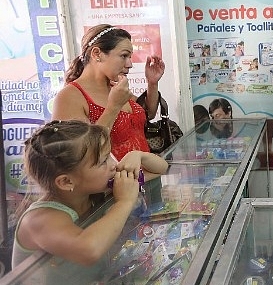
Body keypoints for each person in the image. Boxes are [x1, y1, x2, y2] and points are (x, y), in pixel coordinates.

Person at [12, 120, 168, 271]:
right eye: (103, 161)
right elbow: (89, 251)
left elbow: (160, 169)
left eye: (109, 156)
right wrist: (124, 202)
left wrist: (139, 155)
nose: (114, 165)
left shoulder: (98, 187)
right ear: (66, 181)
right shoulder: (38, 220)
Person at [52, 24, 165, 162]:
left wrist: (152, 83)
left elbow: (149, 114)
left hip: (146, 178)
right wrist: (113, 108)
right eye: (124, 56)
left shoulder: (114, 88)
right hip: (114, 183)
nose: (129, 64)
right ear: (96, 54)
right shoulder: (70, 96)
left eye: (130, 57)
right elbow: (78, 155)